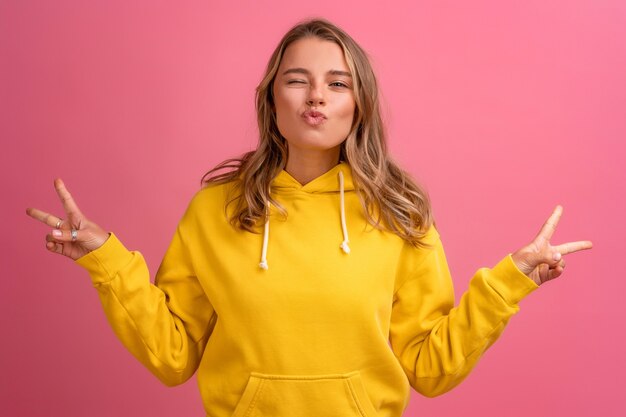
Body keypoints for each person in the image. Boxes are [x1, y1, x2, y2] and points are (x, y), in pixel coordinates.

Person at [26, 19, 592, 417]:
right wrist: (107, 261)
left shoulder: (400, 217)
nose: (316, 96)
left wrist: (509, 282)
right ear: (272, 98)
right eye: (297, 79)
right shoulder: (214, 211)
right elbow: (175, 356)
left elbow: (430, 367)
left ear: (358, 104)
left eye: (337, 83)